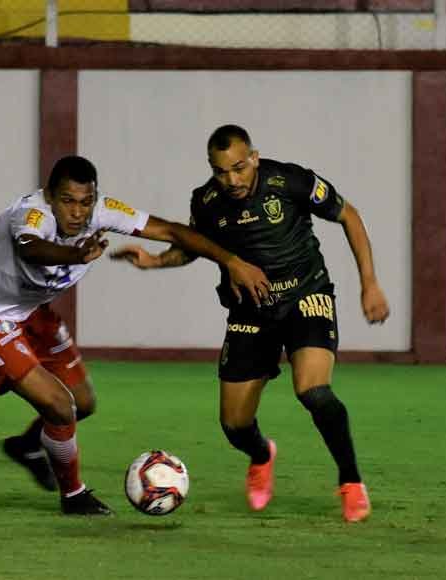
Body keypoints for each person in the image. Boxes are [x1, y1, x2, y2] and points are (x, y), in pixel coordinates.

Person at [0, 155, 270, 515]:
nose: (77, 213)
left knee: (82, 403)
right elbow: (30, 249)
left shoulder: (102, 211)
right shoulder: (30, 214)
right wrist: (74, 254)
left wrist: (232, 262)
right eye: (67, 201)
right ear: (50, 196)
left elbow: (172, 232)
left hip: (31, 312)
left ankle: (27, 445)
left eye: (86, 202)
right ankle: (74, 496)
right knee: (59, 406)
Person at [111, 124, 390, 522]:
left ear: (254, 158)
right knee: (235, 425)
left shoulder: (291, 181)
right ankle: (261, 455)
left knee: (313, 391)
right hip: (250, 311)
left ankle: (351, 482)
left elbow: (349, 215)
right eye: (220, 171)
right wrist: (155, 261)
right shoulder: (207, 201)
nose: (231, 180)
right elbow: (192, 249)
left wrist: (370, 283)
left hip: (306, 295)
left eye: (239, 168)